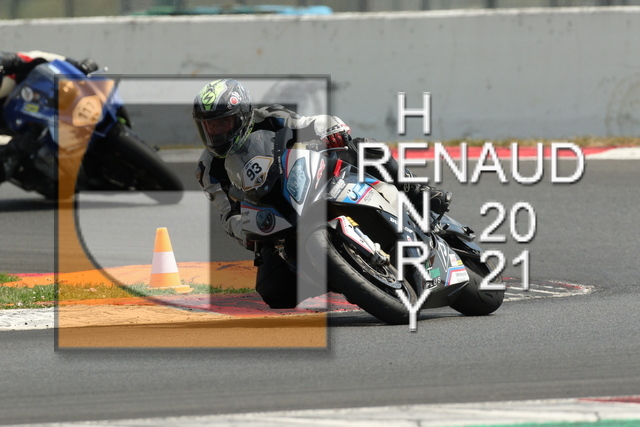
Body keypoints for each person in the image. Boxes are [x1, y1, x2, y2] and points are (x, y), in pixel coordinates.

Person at [193, 78, 451, 309]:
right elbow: (227, 214)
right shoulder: (208, 169)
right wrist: (246, 232)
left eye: (223, 122)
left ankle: (416, 191)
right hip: (272, 216)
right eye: (209, 126)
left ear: (242, 114)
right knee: (273, 292)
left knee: (362, 147)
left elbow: (308, 124)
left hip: (303, 179)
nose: (217, 132)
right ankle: (342, 276)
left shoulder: (270, 117)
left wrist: (332, 129)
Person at [0, 50, 98, 183]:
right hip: (15, 136)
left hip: (38, 102)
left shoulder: (7, 62)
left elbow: (36, 57)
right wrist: (14, 145)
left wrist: (74, 64)